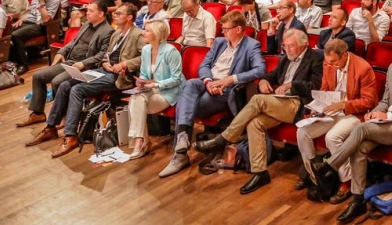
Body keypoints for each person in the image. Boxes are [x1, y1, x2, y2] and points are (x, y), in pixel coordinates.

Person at [309, 34, 392, 223]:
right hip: (384, 122)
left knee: (360, 129)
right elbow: (385, 101)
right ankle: (358, 199)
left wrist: (388, 116)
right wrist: (374, 113)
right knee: (359, 149)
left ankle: (329, 166)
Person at [192, 29, 323, 195]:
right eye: (285, 46)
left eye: (291, 46)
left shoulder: (316, 58)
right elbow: (271, 76)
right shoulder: (286, 59)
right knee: (255, 123)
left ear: (304, 45)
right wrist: (263, 81)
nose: (287, 49)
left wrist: (291, 85)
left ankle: (223, 138)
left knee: (258, 100)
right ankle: (260, 172)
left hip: (299, 104)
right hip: (281, 103)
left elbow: (316, 87)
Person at [159, 10, 266, 178]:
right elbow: (204, 65)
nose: (222, 32)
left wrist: (230, 79)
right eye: (222, 29)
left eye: (226, 29)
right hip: (208, 84)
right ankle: (182, 140)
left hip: (226, 90)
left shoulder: (251, 45)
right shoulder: (219, 42)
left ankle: (180, 154)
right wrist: (208, 81)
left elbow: (260, 70)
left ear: (238, 29)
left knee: (184, 103)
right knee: (190, 83)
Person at [45, 3, 144, 158]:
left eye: (119, 14)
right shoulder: (117, 34)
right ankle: (51, 126)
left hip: (119, 76)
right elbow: (106, 54)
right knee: (65, 85)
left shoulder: (138, 34)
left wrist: (125, 64)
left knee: (77, 90)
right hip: (103, 70)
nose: (115, 15)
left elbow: (145, 56)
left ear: (129, 17)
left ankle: (70, 136)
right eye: (115, 13)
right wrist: (105, 62)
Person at [296, 38, 378, 204]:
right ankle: (316, 176)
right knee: (302, 132)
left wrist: (344, 105)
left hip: (354, 114)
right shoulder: (328, 64)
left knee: (332, 137)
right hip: (332, 110)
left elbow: (370, 102)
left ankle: (346, 181)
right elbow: (325, 89)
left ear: (344, 55)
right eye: (328, 62)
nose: (330, 65)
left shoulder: (363, 68)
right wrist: (317, 107)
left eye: (334, 62)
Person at [17, 0, 114, 129]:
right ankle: (38, 113)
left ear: (101, 14)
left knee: (57, 82)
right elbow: (73, 41)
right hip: (69, 61)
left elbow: (101, 55)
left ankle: (63, 116)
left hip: (85, 67)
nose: (87, 13)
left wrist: (83, 63)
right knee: (38, 75)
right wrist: (61, 52)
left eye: (91, 11)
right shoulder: (86, 25)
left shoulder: (108, 31)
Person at [127, 19, 185, 159]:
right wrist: (141, 82)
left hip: (171, 90)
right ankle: (141, 141)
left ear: (157, 34)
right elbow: (144, 74)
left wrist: (155, 85)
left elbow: (176, 79)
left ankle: (141, 143)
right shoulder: (146, 50)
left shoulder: (171, 51)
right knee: (136, 97)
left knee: (136, 102)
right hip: (151, 88)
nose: (143, 32)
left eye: (147, 30)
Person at [10, 0, 60, 74]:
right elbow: (31, 12)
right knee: (9, 30)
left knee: (16, 35)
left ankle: (23, 65)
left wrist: (42, 3)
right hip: (30, 21)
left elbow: (46, 19)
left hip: (41, 26)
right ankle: (13, 59)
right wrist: (22, 19)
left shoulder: (55, 0)